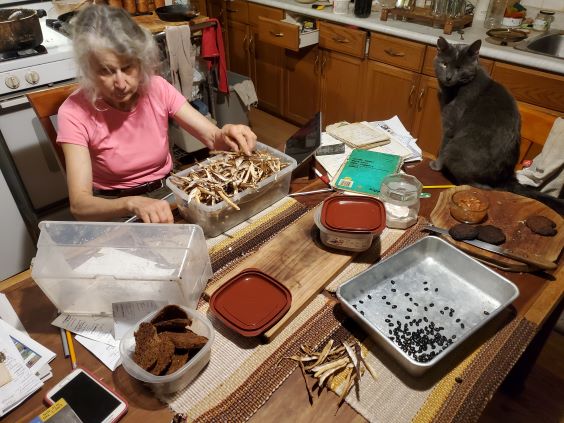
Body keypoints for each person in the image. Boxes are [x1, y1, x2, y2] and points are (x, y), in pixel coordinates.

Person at [57, 4, 257, 224]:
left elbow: (212, 137)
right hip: (114, 206)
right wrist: (130, 203)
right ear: (88, 70)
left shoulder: (157, 88)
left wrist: (227, 133)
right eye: (106, 71)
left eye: (128, 67)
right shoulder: (73, 112)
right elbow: (80, 205)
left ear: (140, 61)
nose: (121, 83)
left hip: (167, 190)